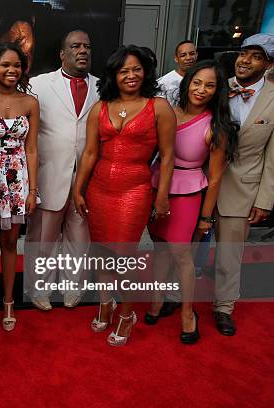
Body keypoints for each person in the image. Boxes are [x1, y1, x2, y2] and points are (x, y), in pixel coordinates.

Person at [73, 45, 176, 346]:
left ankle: (127, 314)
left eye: (136, 69)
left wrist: (162, 196)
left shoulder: (158, 107)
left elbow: (168, 157)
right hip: (99, 189)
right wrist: (78, 189)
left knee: (124, 256)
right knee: (102, 253)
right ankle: (106, 304)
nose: (130, 75)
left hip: (135, 189)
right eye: (123, 70)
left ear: (145, 72)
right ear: (114, 75)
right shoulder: (100, 107)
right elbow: (90, 152)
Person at [146, 60, 238, 344]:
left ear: (217, 91)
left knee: (182, 256)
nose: (201, 90)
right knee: (160, 249)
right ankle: (157, 300)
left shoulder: (216, 126)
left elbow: (216, 177)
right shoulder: (169, 113)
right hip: (156, 186)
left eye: (209, 85)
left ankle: (188, 312)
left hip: (187, 194)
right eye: (197, 82)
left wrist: (205, 218)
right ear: (187, 83)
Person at [24, 30, 98, 310]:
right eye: (76, 46)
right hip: (48, 173)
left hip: (85, 178)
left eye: (87, 46)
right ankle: (38, 289)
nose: (83, 51)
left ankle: (72, 287)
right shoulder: (38, 85)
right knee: (43, 237)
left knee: (79, 238)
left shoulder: (102, 88)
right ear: (62, 54)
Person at [213, 33, 274, 336]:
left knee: (229, 255)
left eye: (256, 56)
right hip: (200, 183)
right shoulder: (214, 88)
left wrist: (264, 200)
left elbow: (272, 157)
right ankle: (174, 298)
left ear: (269, 64)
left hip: (242, 187)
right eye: (243, 53)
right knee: (182, 249)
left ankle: (224, 306)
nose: (245, 60)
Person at [0, 42, 39, 332]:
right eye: (5, 65)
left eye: (17, 65)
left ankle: (9, 301)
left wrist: (32, 190)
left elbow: (33, 150)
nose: (12, 70)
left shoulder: (30, 102)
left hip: (17, 180)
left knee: (12, 243)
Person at [158, 40, 198, 106]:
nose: (188, 58)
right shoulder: (163, 83)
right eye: (183, 55)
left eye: (192, 54)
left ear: (196, 55)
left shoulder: (202, 81)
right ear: (176, 58)